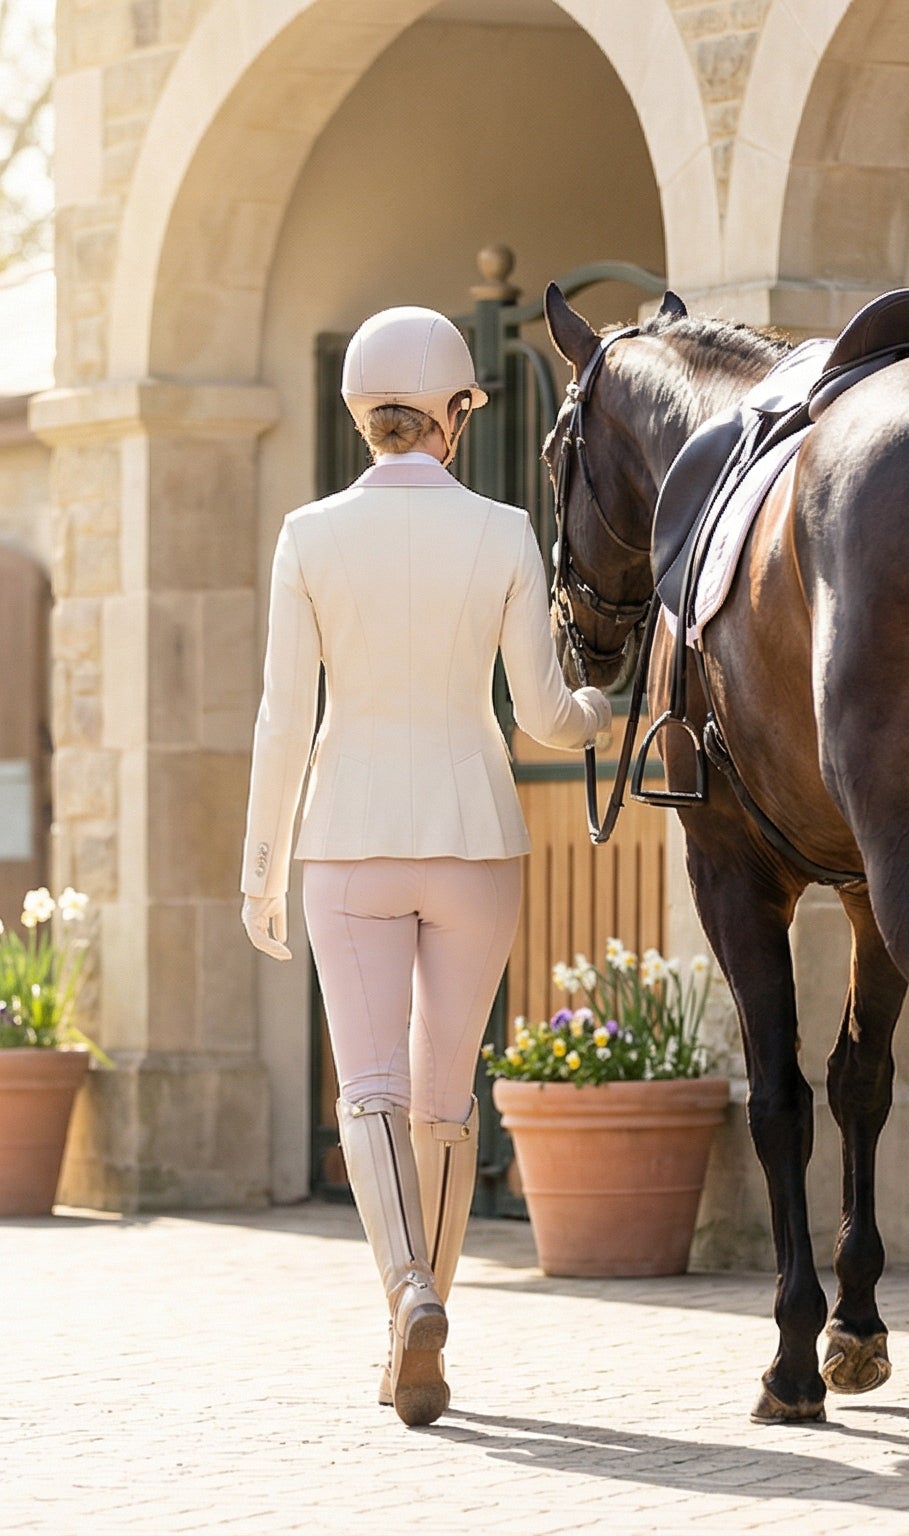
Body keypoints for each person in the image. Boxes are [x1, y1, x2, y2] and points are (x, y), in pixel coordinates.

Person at [240, 306, 612, 1427]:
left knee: (368, 1090)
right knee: (444, 1101)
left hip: (346, 839)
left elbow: (282, 718)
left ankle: (408, 1297)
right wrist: (600, 709)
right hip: (475, 839)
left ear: (363, 415)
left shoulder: (307, 535)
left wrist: (261, 867)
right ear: (453, 410)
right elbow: (543, 714)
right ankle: (425, 1321)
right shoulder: (503, 531)